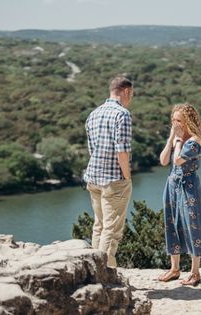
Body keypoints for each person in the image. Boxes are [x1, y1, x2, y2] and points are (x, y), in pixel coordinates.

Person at [83, 76, 133, 268]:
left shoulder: (93, 114)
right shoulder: (122, 114)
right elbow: (122, 151)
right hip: (114, 180)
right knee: (111, 230)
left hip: (94, 177)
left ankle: (94, 269)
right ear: (126, 91)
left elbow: (91, 150)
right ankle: (105, 272)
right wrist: (127, 177)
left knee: (99, 226)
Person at [158, 103, 201, 286]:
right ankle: (175, 269)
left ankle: (195, 272)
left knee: (191, 224)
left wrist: (178, 141)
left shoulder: (195, 142)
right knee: (171, 223)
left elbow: (178, 160)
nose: (175, 123)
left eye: (178, 120)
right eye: (173, 120)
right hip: (172, 184)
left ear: (188, 121)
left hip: (189, 185)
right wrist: (172, 137)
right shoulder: (177, 138)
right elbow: (164, 161)